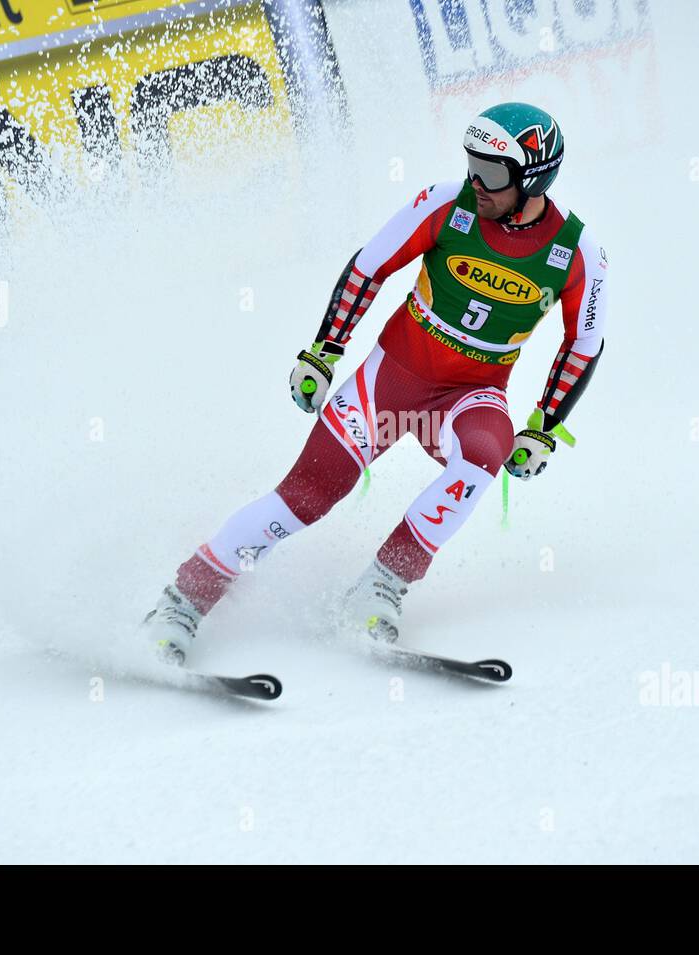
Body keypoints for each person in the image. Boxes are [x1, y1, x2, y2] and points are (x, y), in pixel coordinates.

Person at [144, 102, 609, 662]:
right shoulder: (446, 204)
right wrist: (323, 353)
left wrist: (543, 427)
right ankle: (180, 603)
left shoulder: (576, 251)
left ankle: (380, 588)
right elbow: (370, 267)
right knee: (306, 498)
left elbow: (582, 343)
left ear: (532, 178)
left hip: (467, 398)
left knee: (489, 449)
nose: (475, 182)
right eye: (471, 164)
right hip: (389, 383)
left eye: (490, 172)